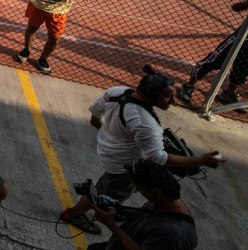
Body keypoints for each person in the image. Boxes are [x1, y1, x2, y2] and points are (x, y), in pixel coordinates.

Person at [60, 69, 224, 235]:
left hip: (109, 147)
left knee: (110, 187)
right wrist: (200, 160)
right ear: (151, 94)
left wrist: (96, 121)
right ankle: (74, 214)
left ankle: (111, 206)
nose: (172, 101)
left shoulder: (118, 91)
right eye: (167, 96)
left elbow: (96, 111)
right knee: (106, 191)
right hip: (122, 164)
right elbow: (159, 158)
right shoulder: (145, 124)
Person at [89, 160, 200, 250]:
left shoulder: (171, 236)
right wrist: (122, 210)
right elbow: (149, 217)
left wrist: (111, 225)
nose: (137, 190)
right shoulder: (164, 201)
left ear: (156, 191)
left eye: (139, 187)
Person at [176, 0, 248, 108]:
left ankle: (229, 94)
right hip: (240, 37)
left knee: (242, 70)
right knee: (214, 60)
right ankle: (189, 86)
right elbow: (235, 7)